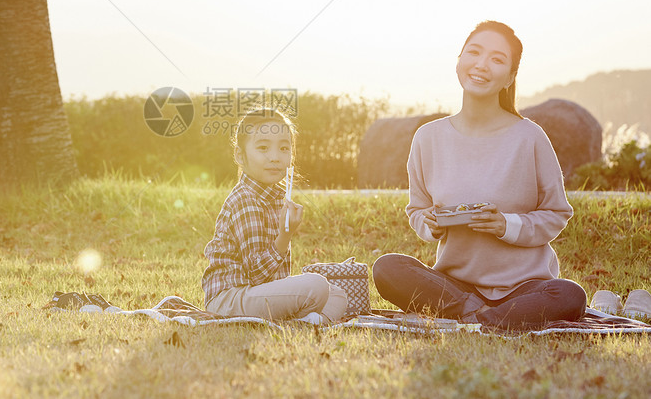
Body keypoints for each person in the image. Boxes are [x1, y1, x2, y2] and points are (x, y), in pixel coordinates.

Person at [372, 20, 587, 331]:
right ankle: (482, 316)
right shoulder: (427, 138)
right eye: (474, 52)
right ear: (459, 60)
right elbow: (417, 209)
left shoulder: (530, 137)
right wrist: (429, 224)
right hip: (455, 287)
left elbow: (556, 213)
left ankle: (477, 318)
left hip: (524, 288)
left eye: (497, 59)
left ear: (510, 77)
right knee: (388, 267)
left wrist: (506, 225)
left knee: (570, 295)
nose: (481, 65)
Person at [201, 107, 348, 324]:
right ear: (240, 155)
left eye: (283, 148)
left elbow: (276, 279)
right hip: (230, 298)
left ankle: (305, 323)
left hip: (255, 294)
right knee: (316, 286)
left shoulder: (278, 197)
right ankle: (308, 320)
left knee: (336, 293)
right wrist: (284, 237)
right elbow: (256, 276)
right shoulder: (245, 199)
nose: (275, 157)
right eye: (263, 147)